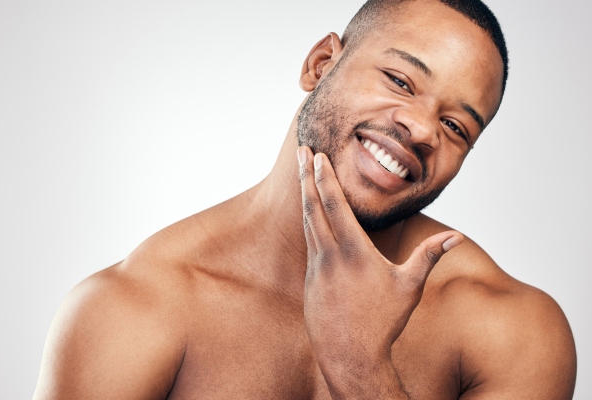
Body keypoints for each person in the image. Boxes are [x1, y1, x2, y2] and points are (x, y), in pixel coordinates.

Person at [33, 0, 577, 398]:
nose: (420, 128)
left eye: (456, 126)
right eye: (400, 80)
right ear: (321, 64)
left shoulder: (514, 330)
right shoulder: (131, 309)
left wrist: (362, 365)